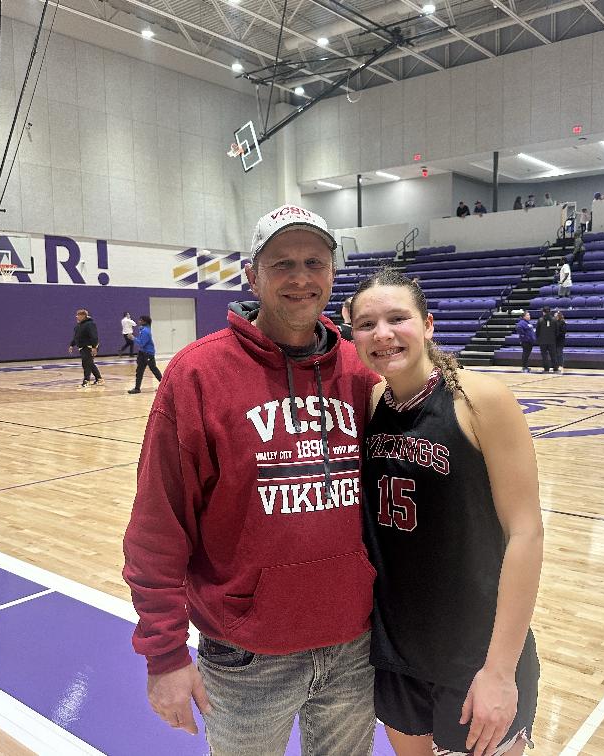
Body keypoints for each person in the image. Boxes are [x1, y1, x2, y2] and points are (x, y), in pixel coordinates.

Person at [123, 204, 380, 755]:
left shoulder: (361, 371)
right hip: (246, 656)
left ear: (332, 274)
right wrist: (165, 655)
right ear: (252, 276)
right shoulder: (197, 374)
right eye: (282, 263)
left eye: (314, 262)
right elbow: (157, 527)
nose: (300, 278)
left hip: (353, 646)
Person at [349, 268, 542, 756]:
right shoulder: (371, 403)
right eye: (366, 324)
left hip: (476, 654)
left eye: (398, 318)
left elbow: (526, 534)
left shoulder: (481, 401)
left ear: (428, 324)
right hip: (397, 650)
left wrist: (500, 670)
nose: (383, 334)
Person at [68, 308, 103, 388]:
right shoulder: (78, 326)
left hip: (89, 347)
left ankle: (86, 381)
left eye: (78, 315)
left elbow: (94, 336)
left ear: (83, 316)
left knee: (86, 364)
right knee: (90, 363)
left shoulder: (90, 324)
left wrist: (94, 347)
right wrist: (71, 345)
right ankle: (99, 379)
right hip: (82, 347)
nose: (76, 317)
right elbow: (76, 337)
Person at [128, 316, 163, 394]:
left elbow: (142, 343)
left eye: (141, 320)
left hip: (148, 353)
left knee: (154, 369)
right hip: (142, 353)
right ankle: (137, 388)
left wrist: (133, 338)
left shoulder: (145, 331)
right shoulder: (143, 330)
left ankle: (164, 386)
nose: (139, 321)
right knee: (139, 371)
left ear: (145, 322)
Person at [536, 306, 558, 373]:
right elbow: (557, 331)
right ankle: (555, 369)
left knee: (544, 356)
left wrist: (539, 339)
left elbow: (537, 331)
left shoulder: (540, 320)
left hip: (543, 341)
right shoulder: (554, 320)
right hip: (552, 341)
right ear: (550, 311)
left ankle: (546, 369)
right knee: (553, 355)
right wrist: (554, 338)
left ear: (543, 312)